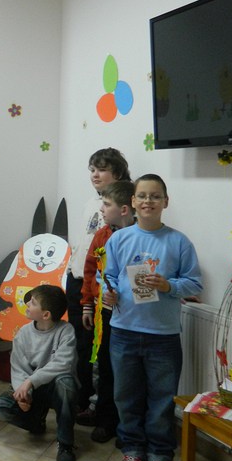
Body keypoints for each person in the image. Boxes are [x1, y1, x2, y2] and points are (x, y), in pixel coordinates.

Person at [103, 174, 202, 461]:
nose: (148, 201)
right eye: (142, 196)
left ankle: (160, 456)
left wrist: (168, 285)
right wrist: (107, 293)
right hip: (123, 331)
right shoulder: (118, 239)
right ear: (132, 201)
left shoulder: (179, 242)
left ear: (165, 202)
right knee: (125, 396)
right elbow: (108, 277)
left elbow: (194, 283)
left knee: (162, 399)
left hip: (163, 335)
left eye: (155, 196)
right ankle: (132, 450)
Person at [66, 147, 131, 425]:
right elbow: (85, 246)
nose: (94, 174)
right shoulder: (90, 203)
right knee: (81, 348)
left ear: (117, 173)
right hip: (78, 281)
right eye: (92, 169)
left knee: (102, 354)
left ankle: (101, 408)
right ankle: (82, 401)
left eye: (102, 169)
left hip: (103, 292)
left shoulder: (121, 210)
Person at [0, 285, 78, 461]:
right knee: (1, 407)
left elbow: (63, 364)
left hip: (54, 388)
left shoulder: (66, 331)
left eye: (32, 303)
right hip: (32, 390)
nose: (27, 305)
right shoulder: (23, 333)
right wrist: (24, 394)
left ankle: (65, 444)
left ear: (45, 315)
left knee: (66, 383)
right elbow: (18, 367)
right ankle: (36, 421)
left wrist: (31, 381)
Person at [79, 180, 135, 443]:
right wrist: (87, 304)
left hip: (133, 315)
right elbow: (90, 270)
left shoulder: (140, 235)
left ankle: (127, 425)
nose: (101, 209)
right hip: (105, 312)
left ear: (124, 209)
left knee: (128, 371)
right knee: (104, 367)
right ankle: (105, 419)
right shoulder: (102, 234)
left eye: (106, 204)